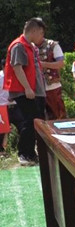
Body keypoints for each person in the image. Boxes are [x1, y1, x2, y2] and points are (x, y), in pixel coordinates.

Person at [3, 17, 47, 166]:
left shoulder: (30, 46)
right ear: (33, 30)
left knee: (36, 121)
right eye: (41, 33)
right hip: (25, 91)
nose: (42, 37)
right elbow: (17, 68)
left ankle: (31, 153)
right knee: (29, 121)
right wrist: (27, 87)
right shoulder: (18, 45)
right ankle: (24, 154)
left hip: (34, 91)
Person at [39, 38, 67, 120]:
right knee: (40, 118)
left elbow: (61, 63)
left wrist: (44, 64)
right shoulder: (30, 46)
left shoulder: (52, 45)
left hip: (52, 86)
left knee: (58, 115)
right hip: (37, 87)